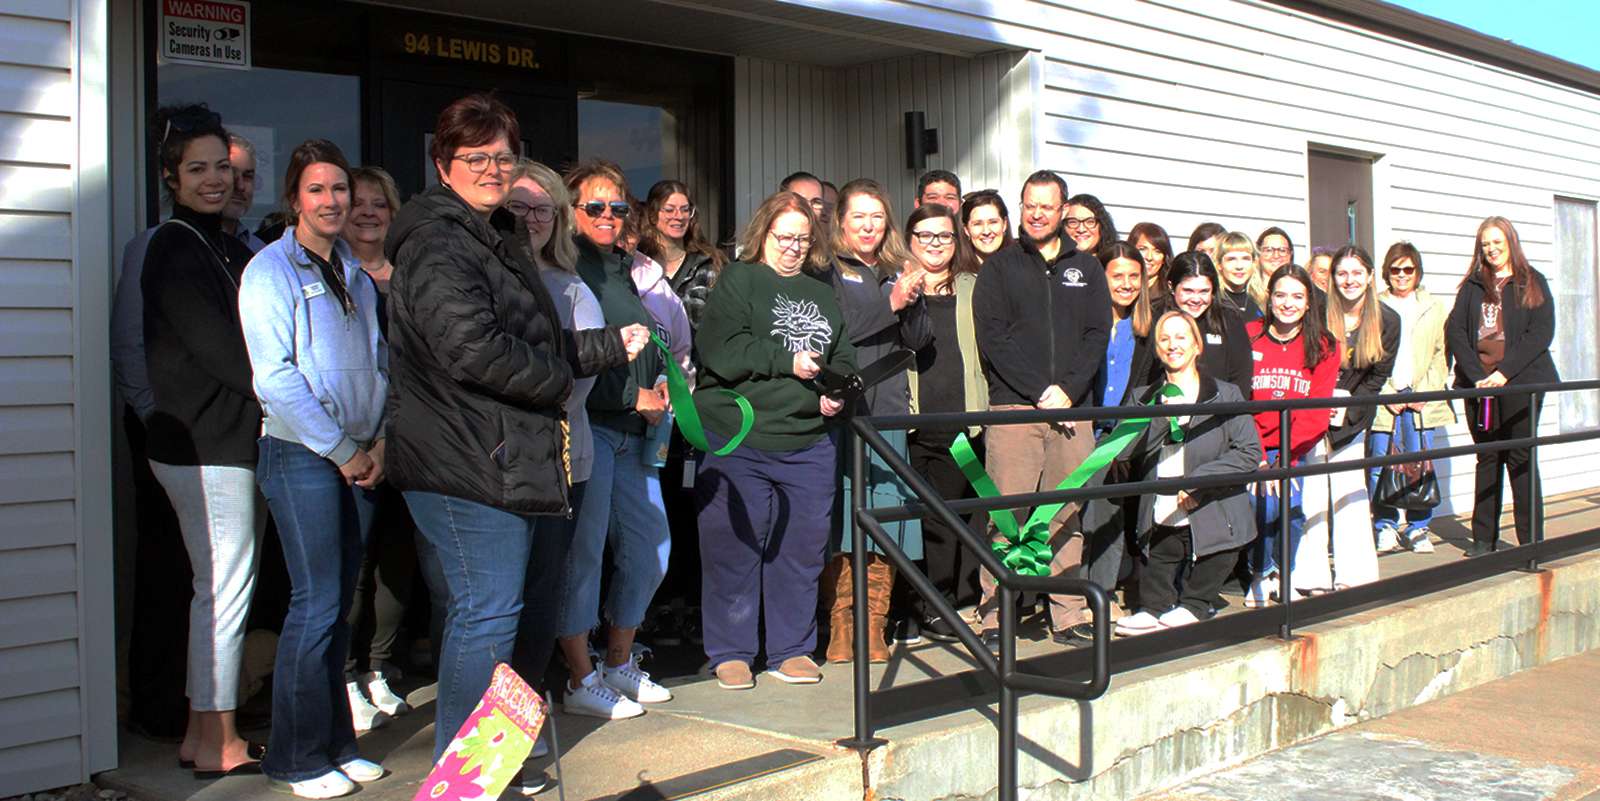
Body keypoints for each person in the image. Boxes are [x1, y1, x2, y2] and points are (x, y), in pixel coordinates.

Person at [384, 94, 645, 776]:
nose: (492, 169)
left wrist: (601, 347)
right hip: (464, 458)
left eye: (502, 157)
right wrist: (561, 380)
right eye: (475, 157)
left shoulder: (491, 233)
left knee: (506, 617)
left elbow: (530, 340)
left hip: (502, 454)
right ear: (443, 163)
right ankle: (463, 779)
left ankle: (490, 768)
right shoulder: (439, 241)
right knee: (487, 616)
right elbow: (474, 352)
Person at [238, 139, 388, 798]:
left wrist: (377, 441)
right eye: (317, 189)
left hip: (359, 454)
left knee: (339, 608)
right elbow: (273, 378)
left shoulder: (354, 271)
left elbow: (380, 364)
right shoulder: (270, 270)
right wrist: (342, 449)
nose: (332, 200)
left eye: (340, 189)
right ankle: (295, 757)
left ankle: (336, 744)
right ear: (295, 199)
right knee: (316, 604)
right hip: (301, 454)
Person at [113, 128, 269, 742]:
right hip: (198, 444)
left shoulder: (229, 247)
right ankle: (209, 733)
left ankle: (203, 734)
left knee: (219, 590)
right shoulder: (170, 245)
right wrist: (153, 416)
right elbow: (217, 351)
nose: (218, 180)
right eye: (198, 168)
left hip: (230, 438)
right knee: (216, 592)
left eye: (224, 169)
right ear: (171, 177)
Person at [694, 191, 857, 689]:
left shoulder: (821, 292)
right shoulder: (739, 279)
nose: (792, 248)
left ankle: (791, 648)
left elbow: (842, 356)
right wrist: (786, 360)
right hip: (739, 435)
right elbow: (720, 350)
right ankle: (732, 651)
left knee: (801, 550)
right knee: (733, 547)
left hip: (808, 441)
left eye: (802, 240)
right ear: (763, 234)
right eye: (783, 237)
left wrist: (835, 393)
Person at [972, 169, 1111, 648]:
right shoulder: (999, 268)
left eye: (1046, 207)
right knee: (1005, 517)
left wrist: (1068, 391)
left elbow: (1097, 334)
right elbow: (994, 338)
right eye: (1029, 205)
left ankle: (1068, 614)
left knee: (1065, 515)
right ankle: (995, 616)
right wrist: (1040, 391)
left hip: (1072, 412)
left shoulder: (1086, 268)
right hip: (1015, 409)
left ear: (1063, 210)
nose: (1036, 214)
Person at [556, 159, 675, 719]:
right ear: (571, 210)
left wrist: (660, 382)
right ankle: (579, 677)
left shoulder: (620, 266)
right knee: (583, 556)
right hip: (593, 428)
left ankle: (618, 662)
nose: (608, 215)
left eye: (618, 206)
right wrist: (632, 395)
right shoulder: (566, 266)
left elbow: (635, 342)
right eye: (595, 206)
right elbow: (574, 355)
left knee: (650, 550)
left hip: (636, 432)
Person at [814, 178, 931, 660]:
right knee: (841, 521)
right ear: (841, 221)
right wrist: (892, 304)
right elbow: (836, 333)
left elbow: (919, 341)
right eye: (858, 216)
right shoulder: (827, 270)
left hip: (888, 413)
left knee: (886, 519)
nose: (868, 226)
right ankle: (841, 628)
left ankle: (873, 626)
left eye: (877, 217)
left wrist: (913, 299)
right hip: (844, 413)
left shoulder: (895, 269)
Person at [503, 159, 603, 711]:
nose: (531, 219)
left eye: (543, 209)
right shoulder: (484, 277)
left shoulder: (573, 289)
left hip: (562, 459)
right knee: (495, 596)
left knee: (542, 588)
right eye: (518, 207)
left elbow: (581, 378)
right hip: (492, 461)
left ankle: (522, 709)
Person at [1113, 312, 1262, 635]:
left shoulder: (1226, 394)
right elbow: (1122, 451)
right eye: (1164, 339)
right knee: (1161, 551)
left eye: (1181, 337)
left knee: (1217, 546)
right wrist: (1158, 414)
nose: (1173, 345)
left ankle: (1196, 603)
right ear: (1156, 349)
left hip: (1209, 498)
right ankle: (1154, 606)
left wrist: (1200, 480)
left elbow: (1249, 452)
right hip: (1161, 502)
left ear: (1197, 346)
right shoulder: (1142, 398)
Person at [338, 164, 414, 732]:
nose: (367, 212)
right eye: (357, 203)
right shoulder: (333, 275)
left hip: (408, 437)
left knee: (397, 562)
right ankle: (343, 675)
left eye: (379, 204)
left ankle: (378, 668)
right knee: (353, 565)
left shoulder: (409, 276)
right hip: (352, 442)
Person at [1445, 216, 1557, 556]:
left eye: (1497, 242)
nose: (1491, 249)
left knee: (1521, 459)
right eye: (1485, 244)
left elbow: (1541, 333)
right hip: (1481, 388)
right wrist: (1476, 375)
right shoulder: (1472, 286)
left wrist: (1504, 373)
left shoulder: (1531, 281)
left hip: (1520, 386)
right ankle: (1484, 540)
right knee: (1488, 458)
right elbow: (1456, 331)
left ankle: (1531, 543)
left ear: (1510, 242)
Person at [903, 203, 986, 642]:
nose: (935, 243)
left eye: (944, 235)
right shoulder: (896, 286)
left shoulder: (974, 286)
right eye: (925, 235)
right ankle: (919, 607)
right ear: (910, 240)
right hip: (913, 424)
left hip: (964, 423)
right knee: (918, 522)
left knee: (954, 518)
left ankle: (948, 604)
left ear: (957, 241)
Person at [1297, 245, 1396, 593]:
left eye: (1356, 273)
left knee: (1349, 491)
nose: (1349, 280)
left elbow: (1377, 378)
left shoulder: (1388, 320)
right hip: (1312, 412)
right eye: (1341, 273)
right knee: (1311, 493)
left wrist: (1350, 409)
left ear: (1370, 276)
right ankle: (1309, 574)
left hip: (1352, 415)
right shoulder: (1317, 314)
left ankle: (1355, 574)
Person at [1246, 265, 1339, 607]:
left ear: (1309, 301)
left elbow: (1316, 411)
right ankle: (1260, 573)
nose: (1288, 303)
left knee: (1291, 506)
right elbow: (1241, 397)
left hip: (1294, 447)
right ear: (1269, 298)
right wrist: (1258, 457)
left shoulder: (1324, 344)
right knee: (1260, 504)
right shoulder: (1249, 334)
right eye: (1281, 295)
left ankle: (1284, 573)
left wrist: (1283, 459)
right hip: (1251, 444)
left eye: (1297, 296)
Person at [1080, 242, 1157, 617]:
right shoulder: (1084, 322)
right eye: (1118, 276)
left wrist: (1125, 441)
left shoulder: (1147, 330)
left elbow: (1150, 389)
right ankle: (1071, 591)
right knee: (1075, 514)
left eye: (1134, 276)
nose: (1127, 284)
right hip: (1081, 428)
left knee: (1107, 511)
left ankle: (1101, 591)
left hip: (1120, 435)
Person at [1369, 242, 1452, 554]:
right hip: (1386, 395)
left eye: (1408, 269)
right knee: (1381, 464)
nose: (1401, 275)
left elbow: (1441, 355)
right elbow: (1368, 355)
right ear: (1386, 272)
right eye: (1395, 269)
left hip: (1420, 396)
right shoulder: (1374, 305)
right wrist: (1385, 393)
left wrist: (1426, 392)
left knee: (1421, 464)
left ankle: (1418, 527)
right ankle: (1385, 525)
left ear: (1417, 271)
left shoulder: (1434, 307)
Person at [639, 179, 726, 330]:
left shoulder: (711, 265)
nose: (679, 216)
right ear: (653, 215)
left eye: (685, 210)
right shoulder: (639, 266)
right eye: (669, 210)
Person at [1163, 252, 1253, 389]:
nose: (1196, 299)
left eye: (1204, 291)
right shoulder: (1155, 318)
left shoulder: (1229, 319)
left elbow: (1241, 376)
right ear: (1171, 287)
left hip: (1220, 402)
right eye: (1188, 291)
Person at [1215, 231, 1266, 321]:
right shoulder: (1213, 301)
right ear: (1219, 264)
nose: (1239, 266)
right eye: (1231, 259)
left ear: (1254, 263)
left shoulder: (1261, 300)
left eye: (1245, 259)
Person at [960, 189, 1013, 265]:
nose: (986, 231)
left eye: (993, 222)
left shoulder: (1022, 265)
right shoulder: (955, 271)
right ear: (966, 230)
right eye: (978, 224)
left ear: (1004, 224)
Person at [1129, 221, 1173, 300]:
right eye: (1142, 249)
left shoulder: (1170, 295)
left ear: (1164, 258)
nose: (1149, 257)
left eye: (1157, 251)